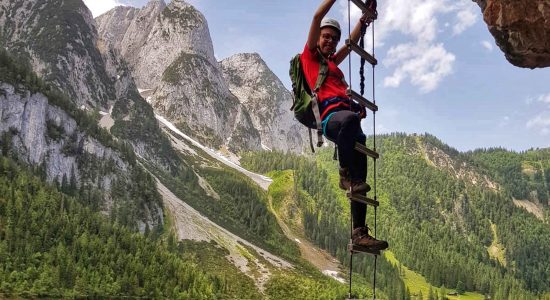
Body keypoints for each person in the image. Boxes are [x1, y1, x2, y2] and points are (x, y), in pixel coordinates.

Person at [301, 0, 388, 250]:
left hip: (347, 124)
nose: (329, 41)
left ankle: (359, 233)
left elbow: (350, 45)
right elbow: (318, 16)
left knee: (361, 179)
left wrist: (363, 20)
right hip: (331, 121)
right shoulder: (309, 58)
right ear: (317, 38)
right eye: (325, 37)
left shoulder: (331, 65)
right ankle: (343, 175)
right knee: (349, 123)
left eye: (333, 38)